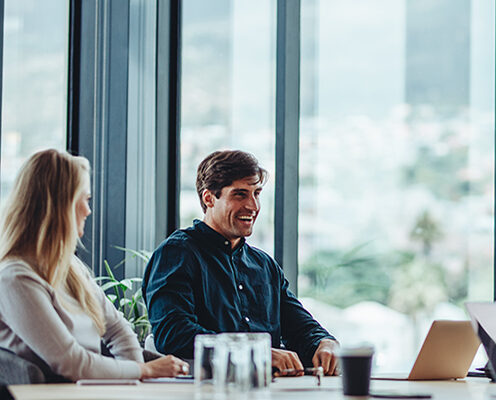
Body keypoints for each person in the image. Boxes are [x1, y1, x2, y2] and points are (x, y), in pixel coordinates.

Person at [143, 150, 339, 376]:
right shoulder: (177, 253)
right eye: (240, 195)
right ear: (209, 198)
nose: (253, 206)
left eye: (256, 193)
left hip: (268, 391)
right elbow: (174, 334)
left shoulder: (264, 265)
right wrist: (256, 352)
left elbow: (300, 326)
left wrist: (324, 342)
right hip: (203, 391)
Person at [0, 149, 188, 381]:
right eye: (85, 199)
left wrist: (134, 380)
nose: (88, 211)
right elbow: (70, 362)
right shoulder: (15, 278)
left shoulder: (70, 267)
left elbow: (118, 329)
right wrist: (144, 370)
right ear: (60, 206)